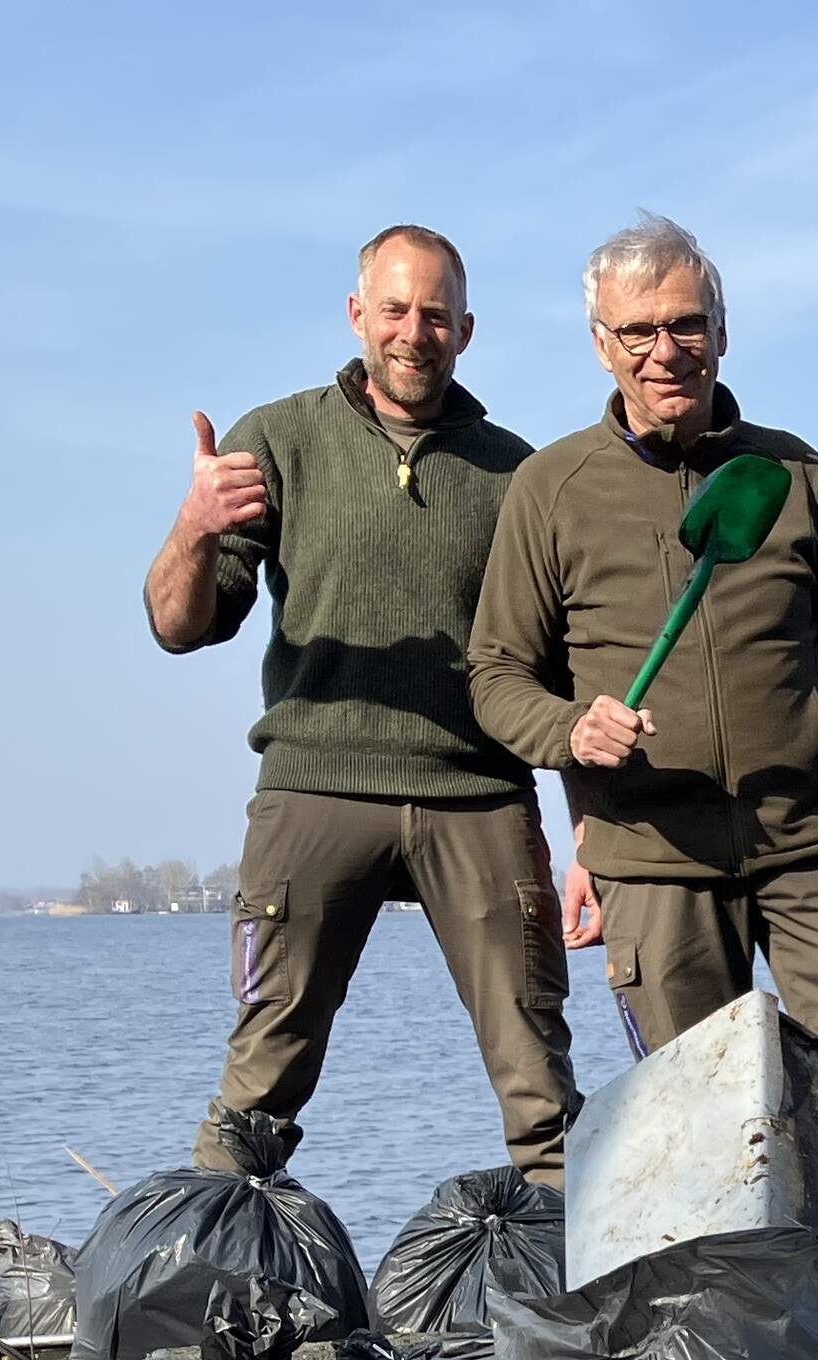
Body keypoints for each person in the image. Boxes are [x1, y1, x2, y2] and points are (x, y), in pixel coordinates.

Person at [465, 214, 818, 1343]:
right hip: (653, 859)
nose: (663, 351)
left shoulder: (791, 472)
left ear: (722, 333)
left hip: (815, 844)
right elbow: (493, 674)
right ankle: (725, 1353)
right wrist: (570, 730)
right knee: (693, 1125)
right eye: (637, 332)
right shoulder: (551, 488)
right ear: (599, 344)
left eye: (686, 325)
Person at [145, 225, 571, 1185]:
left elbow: (567, 669)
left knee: (541, 1080)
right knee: (259, 1081)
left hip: (479, 794)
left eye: (433, 315)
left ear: (466, 330)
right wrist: (192, 527)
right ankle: (206, 1281)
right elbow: (179, 627)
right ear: (356, 315)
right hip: (313, 783)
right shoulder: (277, 440)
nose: (412, 333)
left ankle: (572, 1298)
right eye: (393, 310)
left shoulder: (523, 475)